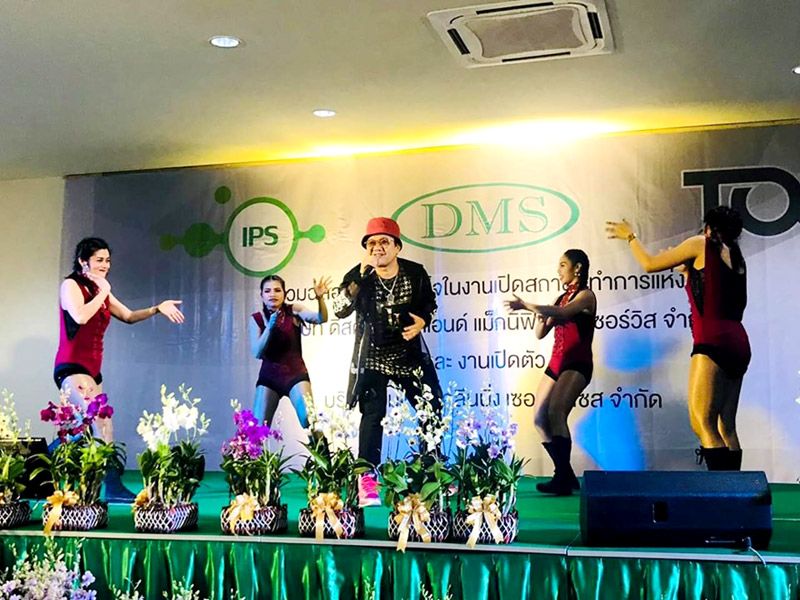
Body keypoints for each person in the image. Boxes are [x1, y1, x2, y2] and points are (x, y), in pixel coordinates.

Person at [606, 207, 749, 470]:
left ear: (709, 228)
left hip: (712, 341)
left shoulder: (700, 243)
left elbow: (649, 264)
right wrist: (686, 273)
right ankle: (737, 488)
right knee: (726, 425)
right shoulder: (736, 256)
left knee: (702, 422)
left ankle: (722, 489)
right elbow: (710, 295)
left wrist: (630, 237)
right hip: (738, 342)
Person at [54, 237, 184, 502]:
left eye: (107, 261)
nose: (105, 265)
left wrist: (157, 308)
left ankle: (36, 465)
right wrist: (103, 291)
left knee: (84, 429)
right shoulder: (71, 285)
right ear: (83, 261)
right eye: (99, 260)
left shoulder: (100, 289)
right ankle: (112, 487)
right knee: (101, 423)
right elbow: (80, 316)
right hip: (72, 365)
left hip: (93, 370)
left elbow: (128, 316)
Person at [334, 217, 442, 503]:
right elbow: (339, 309)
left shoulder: (415, 272)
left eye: (384, 242)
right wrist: (359, 277)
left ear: (397, 247)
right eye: (371, 243)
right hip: (373, 355)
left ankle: (432, 476)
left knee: (432, 408)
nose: (377, 248)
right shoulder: (358, 275)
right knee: (372, 416)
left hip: (409, 354)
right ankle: (368, 483)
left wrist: (423, 321)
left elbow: (430, 303)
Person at [505, 249, 596, 496]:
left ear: (577, 268)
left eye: (563, 265)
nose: (558, 270)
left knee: (556, 412)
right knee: (539, 419)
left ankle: (562, 477)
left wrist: (527, 306)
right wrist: (539, 314)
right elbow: (540, 333)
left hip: (577, 363)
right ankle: (566, 473)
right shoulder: (560, 298)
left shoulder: (586, 296)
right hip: (556, 363)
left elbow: (564, 314)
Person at [249, 274, 331, 432]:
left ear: (284, 293)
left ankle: (322, 449)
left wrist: (320, 299)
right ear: (262, 295)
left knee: (310, 420)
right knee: (258, 430)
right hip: (269, 377)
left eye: (277, 290)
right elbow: (257, 352)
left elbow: (321, 318)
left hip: (295, 374)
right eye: (267, 291)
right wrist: (270, 327)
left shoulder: (294, 311)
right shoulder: (257, 319)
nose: (272, 294)